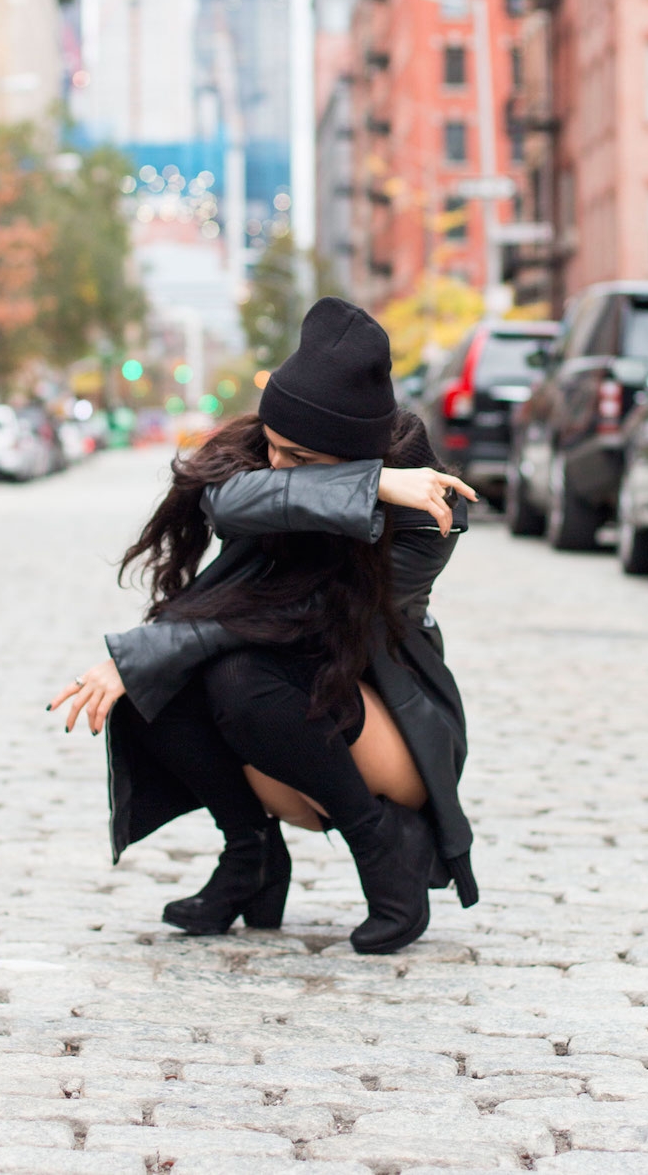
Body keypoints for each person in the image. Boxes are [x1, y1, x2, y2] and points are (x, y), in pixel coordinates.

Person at [49, 298, 479, 955]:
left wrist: (377, 494)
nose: (279, 467)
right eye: (274, 448)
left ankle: (382, 847)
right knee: (165, 684)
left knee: (239, 679)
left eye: (302, 459)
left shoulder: (425, 512)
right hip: (297, 693)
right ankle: (250, 858)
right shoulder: (298, 466)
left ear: (358, 454)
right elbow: (223, 499)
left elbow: (302, 614)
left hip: (385, 711)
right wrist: (365, 486)